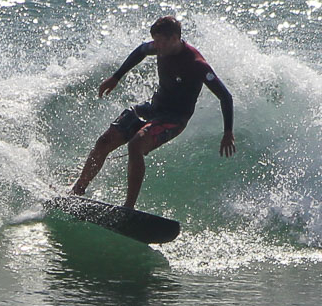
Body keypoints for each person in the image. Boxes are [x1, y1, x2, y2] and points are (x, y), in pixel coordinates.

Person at [69, 16, 235, 209]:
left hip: (174, 118)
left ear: (174, 39)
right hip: (153, 108)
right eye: (155, 41)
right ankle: (77, 190)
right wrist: (116, 77)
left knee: (136, 144)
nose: (156, 46)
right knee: (105, 140)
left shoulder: (196, 64)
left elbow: (225, 96)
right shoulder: (159, 47)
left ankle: (128, 208)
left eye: (160, 42)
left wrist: (228, 132)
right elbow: (140, 50)